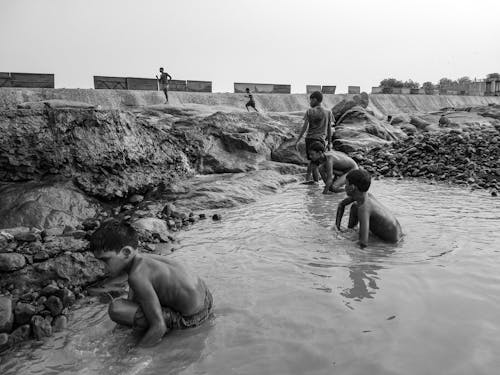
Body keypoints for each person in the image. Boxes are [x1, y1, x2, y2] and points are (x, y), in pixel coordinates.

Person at [89, 220, 213, 347]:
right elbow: (135, 292)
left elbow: (159, 327)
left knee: (117, 309)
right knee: (132, 304)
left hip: (191, 320)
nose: (101, 267)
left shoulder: (137, 276)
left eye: (105, 260)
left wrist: (133, 356)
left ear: (126, 252)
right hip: (206, 300)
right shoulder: (142, 260)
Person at [335, 169, 403, 248]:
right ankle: (351, 230)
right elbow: (341, 205)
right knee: (355, 206)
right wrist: (337, 228)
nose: (344, 187)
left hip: (392, 242)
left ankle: (352, 233)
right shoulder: (364, 196)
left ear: (352, 187)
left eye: (346, 184)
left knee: (356, 207)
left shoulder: (364, 208)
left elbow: (363, 244)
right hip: (396, 234)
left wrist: (340, 240)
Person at [294, 91, 333, 182]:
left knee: (313, 162)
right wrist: (330, 143)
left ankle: (311, 182)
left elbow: (304, 128)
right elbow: (329, 129)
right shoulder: (328, 112)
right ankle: (314, 183)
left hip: (310, 139)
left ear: (315, 100)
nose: (310, 102)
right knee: (316, 163)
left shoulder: (310, 111)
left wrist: (298, 140)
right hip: (320, 140)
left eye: (311, 100)